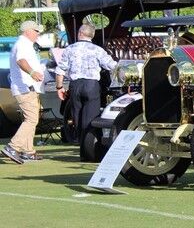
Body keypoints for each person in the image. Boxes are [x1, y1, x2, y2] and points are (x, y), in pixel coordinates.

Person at [55, 24, 117, 161]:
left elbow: (60, 70)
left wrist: (59, 88)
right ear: (92, 35)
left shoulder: (69, 49)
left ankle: (83, 151)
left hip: (75, 85)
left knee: (77, 118)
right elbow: (112, 65)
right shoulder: (97, 50)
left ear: (80, 33)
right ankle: (91, 151)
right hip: (91, 84)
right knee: (90, 120)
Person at [1, 21, 45, 164]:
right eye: (36, 31)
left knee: (30, 119)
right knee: (32, 120)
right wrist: (32, 73)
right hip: (25, 88)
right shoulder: (23, 44)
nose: (38, 34)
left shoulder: (24, 43)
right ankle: (13, 147)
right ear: (28, 31)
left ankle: (28, 151)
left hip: (26, 88)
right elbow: (21, 60)